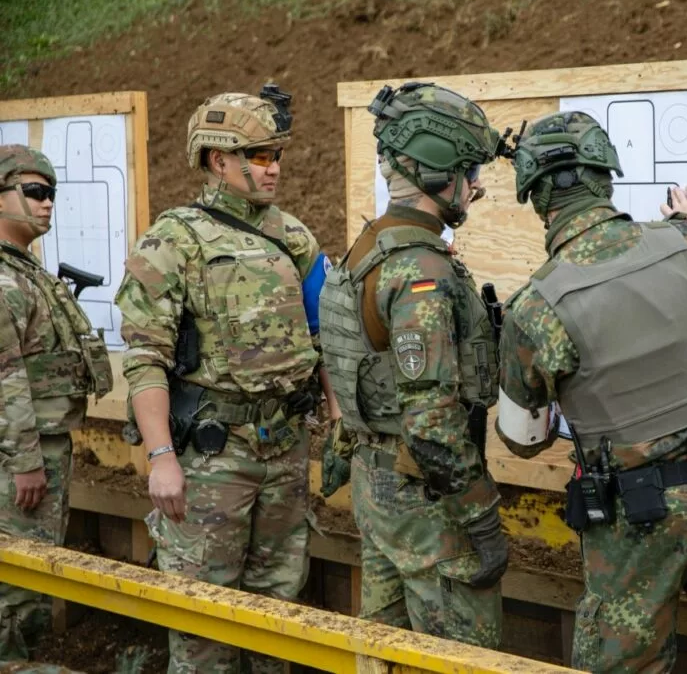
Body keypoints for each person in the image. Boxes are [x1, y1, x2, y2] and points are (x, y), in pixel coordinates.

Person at [495, 112, 687, 673]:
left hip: (630, 522)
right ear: (606, 176)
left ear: (536, 199)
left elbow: (522, 438)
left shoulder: (534, 307)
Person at [115, 86, 338, 674]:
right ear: (219, 160)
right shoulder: (174, 240)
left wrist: (337, 414)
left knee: (278, 613)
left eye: (277, 155)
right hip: (211, 458)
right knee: (202, 619)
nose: (274, 168)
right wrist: (161, 455)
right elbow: (145, 357)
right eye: (260, 155)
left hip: (285, 450)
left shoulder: (293, 237)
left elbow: (324, 339)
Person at [317, 82, 508, 648]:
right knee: (461, 657)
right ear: (437, 173)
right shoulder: (421, 271)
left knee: (385, 649)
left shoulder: (370, 248)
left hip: (380, 490)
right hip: (428, 501)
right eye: (469, 171)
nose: (474, 187)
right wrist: (480, 515)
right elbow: (431, 425)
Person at [0, 144, 113, 659]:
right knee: (18, 590)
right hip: (21, 457)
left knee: (36, 578)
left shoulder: (26, 271)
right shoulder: (5, 281)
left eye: (52, 194)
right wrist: (24, 462)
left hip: (44, 448)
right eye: (34, 192)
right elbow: (6, 380)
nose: (47, 203)